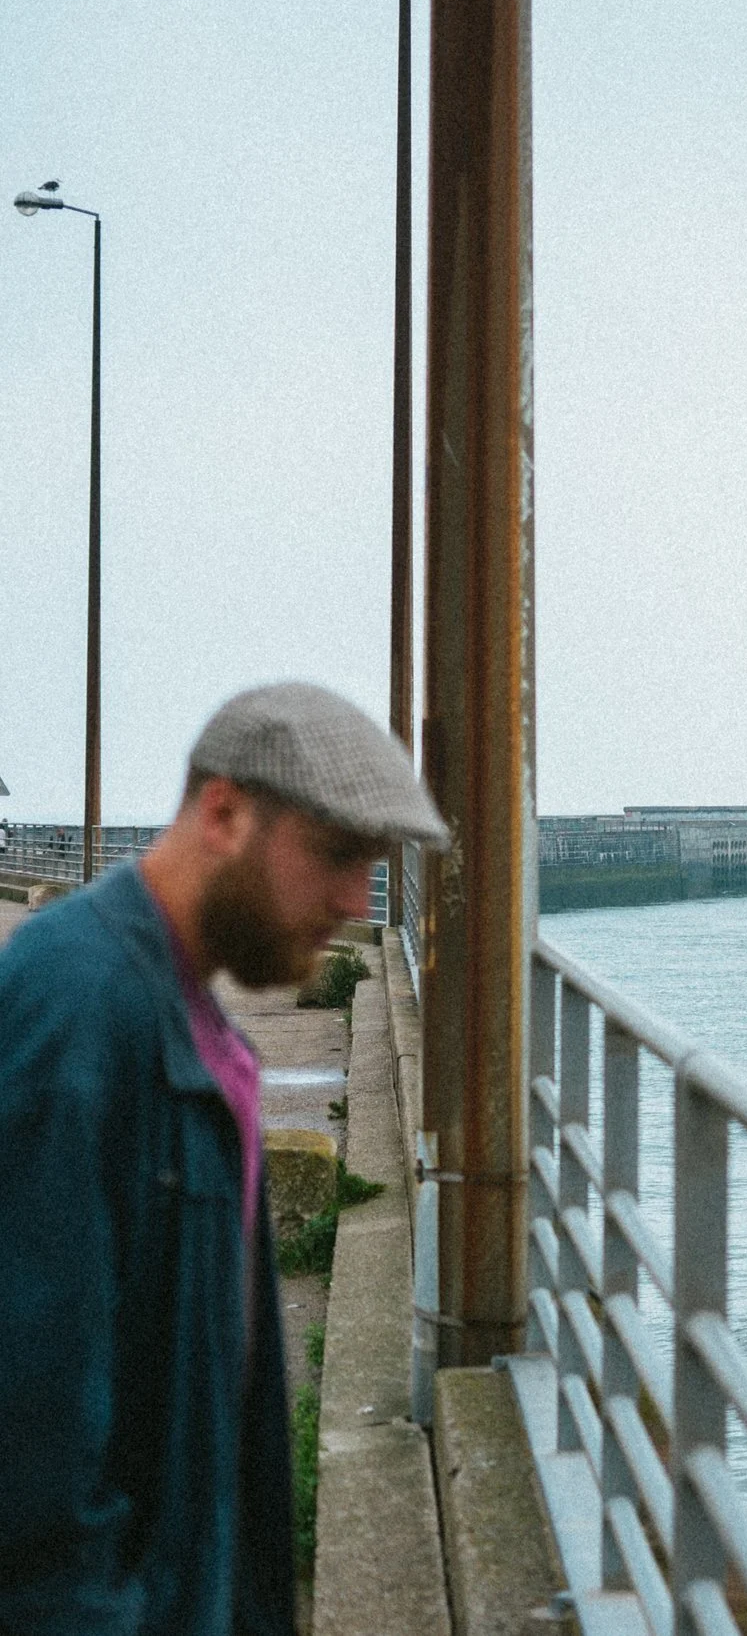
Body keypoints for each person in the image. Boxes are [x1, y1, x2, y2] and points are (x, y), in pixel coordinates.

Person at [0, 683, 447, 1636]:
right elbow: (31, 1459)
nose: (352, 899)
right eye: (334, 856)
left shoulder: (193, 1028)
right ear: (223, 813)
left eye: (369, 867)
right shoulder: (73, 1012)